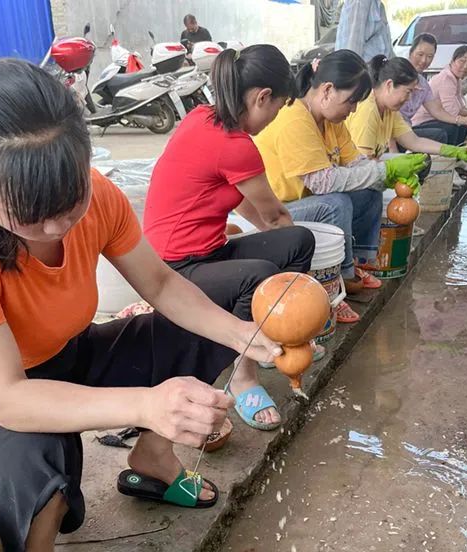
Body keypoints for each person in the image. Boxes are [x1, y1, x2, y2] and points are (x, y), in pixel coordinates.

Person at [0, 59, 283, 552]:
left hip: (65, 353)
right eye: (31, 215)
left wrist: (241, 335)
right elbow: (7, 397)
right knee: (36, 455)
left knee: (216, 311)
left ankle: (153, 458)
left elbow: (163, 286)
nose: (58, 227)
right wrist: (146, 403)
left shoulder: (98, 194)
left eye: (70, 202)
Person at [143, 45, 318, 432]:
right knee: (261, 273)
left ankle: (279, 337)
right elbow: (273, 215)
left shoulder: (205, 118)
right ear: (261, 97)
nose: (275, 117)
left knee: (298, 242)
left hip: (207, 252)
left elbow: (247, 205)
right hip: (173, 269)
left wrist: (284, 235)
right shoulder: (235, 144)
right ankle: (242, 374)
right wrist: (310, 294)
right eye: (279, 106)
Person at [254, 50, 426, 324]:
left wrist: (385, 175)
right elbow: (322, 183)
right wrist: (384, 170)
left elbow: (357, 163)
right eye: (351, 102)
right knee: (337, 202)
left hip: (310, 205)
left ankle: (357, 264)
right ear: (327, 90)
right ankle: (340, 283)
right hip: (278, 213)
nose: (354, 110)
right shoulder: (295, 119)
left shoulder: (331, 121)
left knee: (369, 189)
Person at [346, 55, 467, 165]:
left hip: (368, 166)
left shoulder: (389, 110)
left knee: (421, 164)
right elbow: (362, 164)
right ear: (389, 85)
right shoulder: (367, 110)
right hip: (354, 173)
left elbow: (414, 142)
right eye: (408, 92)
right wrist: (394, 168)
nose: (409, 98)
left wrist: (454, 151)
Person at [398, 33, 467, 144]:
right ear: (411, 52)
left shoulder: (423, 83)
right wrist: (392, 146)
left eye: (429, 57)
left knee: (458, 126)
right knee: (441, 134)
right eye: (420, 54)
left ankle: (455, 155)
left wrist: (465, 119)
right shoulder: (398, 74)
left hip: (406, 129)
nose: (424, 61)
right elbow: (389, 113)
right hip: (395, 132)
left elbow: (437, 110)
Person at [411, 45, 467, 146]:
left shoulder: (455, 79)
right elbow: (452, 112)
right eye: (462, 61)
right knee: (454, 126)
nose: (465, 66)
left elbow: (459, 109)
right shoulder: (445, 79)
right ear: (452, 61)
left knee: (462, 124)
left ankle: (458, 153)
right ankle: (452, 154)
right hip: (421, 123)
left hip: (436, 119)